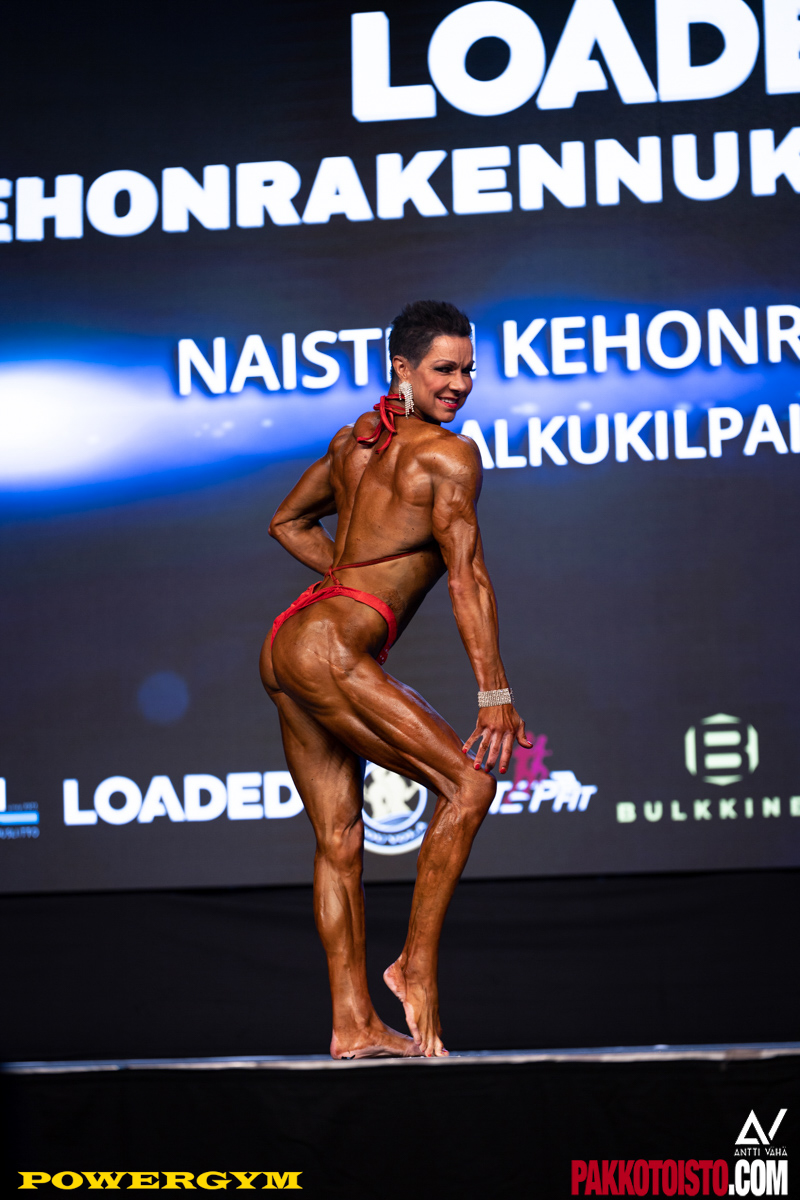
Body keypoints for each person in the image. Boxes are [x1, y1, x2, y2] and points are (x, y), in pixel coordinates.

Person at [260, 300, 530, 1059]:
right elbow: (468, 579)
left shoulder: (354, 442)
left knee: (339, 839)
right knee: (468, 785)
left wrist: (346, 585)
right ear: (402, 368)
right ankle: (412, 967)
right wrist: (494, 692)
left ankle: (352, 1024)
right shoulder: (450, 455)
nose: (461, 384)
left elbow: (286, 522)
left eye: (469, 370)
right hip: (330, 648)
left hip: (289, 643)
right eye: (444, 369)